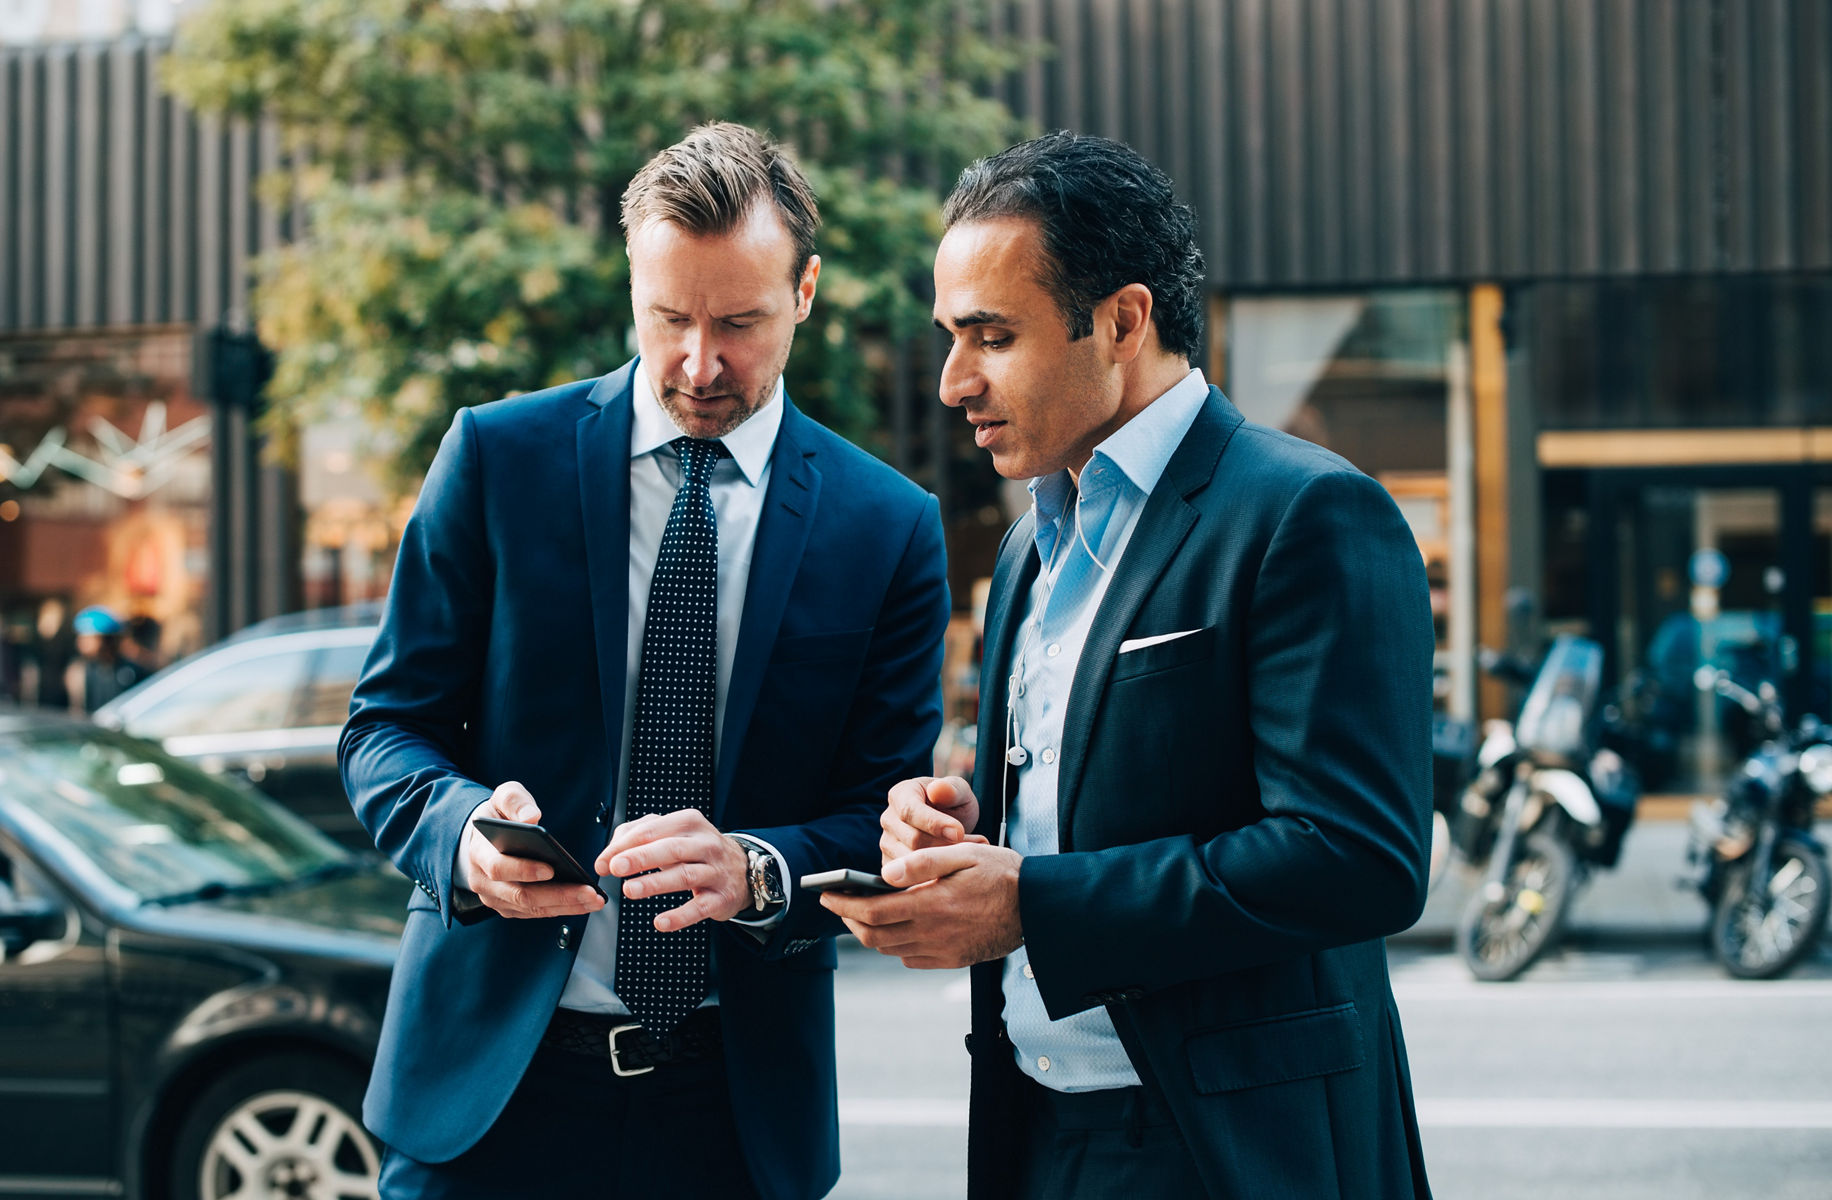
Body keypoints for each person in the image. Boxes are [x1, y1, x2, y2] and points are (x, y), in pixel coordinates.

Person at [339, 122, 950, 1200]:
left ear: (804, 292)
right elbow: (384, 730)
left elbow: (879, 811)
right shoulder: (495, 458)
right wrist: (461, 835)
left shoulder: (888, 527)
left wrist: (756, 870)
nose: (698, 363)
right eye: (668, 317)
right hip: (487, 1103)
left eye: (739, 323)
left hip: (729, 1113)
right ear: (631, 283)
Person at [821, 133, 1434, 1198]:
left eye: (991, 336)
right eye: (948, 339)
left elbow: (1357, 856)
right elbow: (1082, 809)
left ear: (1121, 320)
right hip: (1038, 1134)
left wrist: (1034, 904)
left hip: (1234, 1150)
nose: (953, 381)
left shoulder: (1304, 513)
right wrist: (964, 837)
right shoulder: (1025, 545)